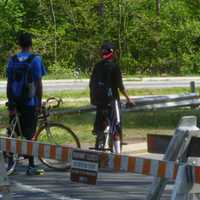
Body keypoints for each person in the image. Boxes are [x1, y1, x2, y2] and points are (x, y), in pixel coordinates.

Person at [6, 32, 46, 175]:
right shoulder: (36, 60)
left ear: (19, 45)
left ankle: (10, 163)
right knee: (30, 135)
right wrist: (38, 103)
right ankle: (31, 166)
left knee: (12, 132)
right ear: (30, 44)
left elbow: (9, 83)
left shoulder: (13, 60)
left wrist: (11, 103)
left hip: (15, 101)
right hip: (29, 102)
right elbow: (38, 84)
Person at [89, 42, 134, 154]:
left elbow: (91, 84)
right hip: (111, 101)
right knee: (116, 127)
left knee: (100, 124)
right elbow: (120, 86)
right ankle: (118, 154)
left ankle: (99, 136)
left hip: (98, 101)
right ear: (113, 53)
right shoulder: (115, 67)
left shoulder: (97, 66)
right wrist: (128, 99)